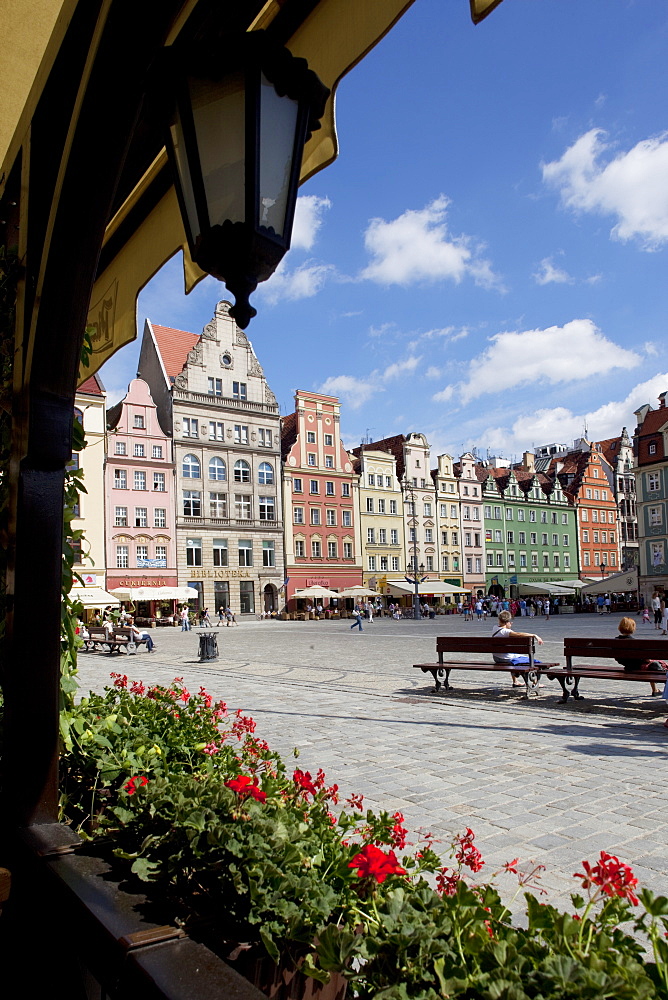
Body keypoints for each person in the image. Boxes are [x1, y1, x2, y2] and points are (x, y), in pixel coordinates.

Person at [614, 616, 665, 696]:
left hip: (627, 666)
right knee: (654, 665)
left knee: (651, 665)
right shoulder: (635, 643)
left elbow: (617, 658)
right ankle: (656, 690)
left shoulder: (615, 641)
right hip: (638, 667)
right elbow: (646, 659)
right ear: (633, 628)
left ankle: (655, 689)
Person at [492, 610, 544, 688]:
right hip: (505, 658)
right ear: (507, 622)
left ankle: (515, 681)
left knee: (513, 657)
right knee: (533, 662)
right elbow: (519, 634)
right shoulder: (506, 632)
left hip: (496, 657)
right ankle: (535, 682)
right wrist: (534, 635)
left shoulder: (495, 628)